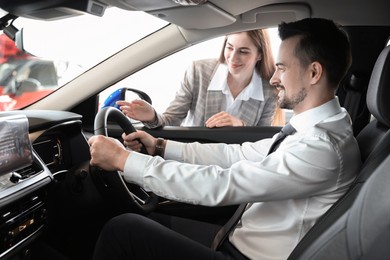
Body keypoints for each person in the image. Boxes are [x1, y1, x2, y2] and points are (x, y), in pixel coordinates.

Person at [88, 18, 360, 260]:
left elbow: (222, 184)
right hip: (235, 239)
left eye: (282, 68)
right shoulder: (318, 129)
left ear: (314, 73)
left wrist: (124, 160)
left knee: (122, 230)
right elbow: (237, 155)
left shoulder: (321, 146)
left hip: (243, 254)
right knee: (142, 220)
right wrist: (160, 146)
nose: (274, 78)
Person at [116, 28, 282, 128]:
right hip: (193, 158)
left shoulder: (269, 90)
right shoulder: (199, 72)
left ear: (260, 55)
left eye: (243, 51)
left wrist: (240, 125)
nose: (232, 57)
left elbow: (260, 139)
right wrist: (152, 116)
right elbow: (171, 119)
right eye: (229, 47)